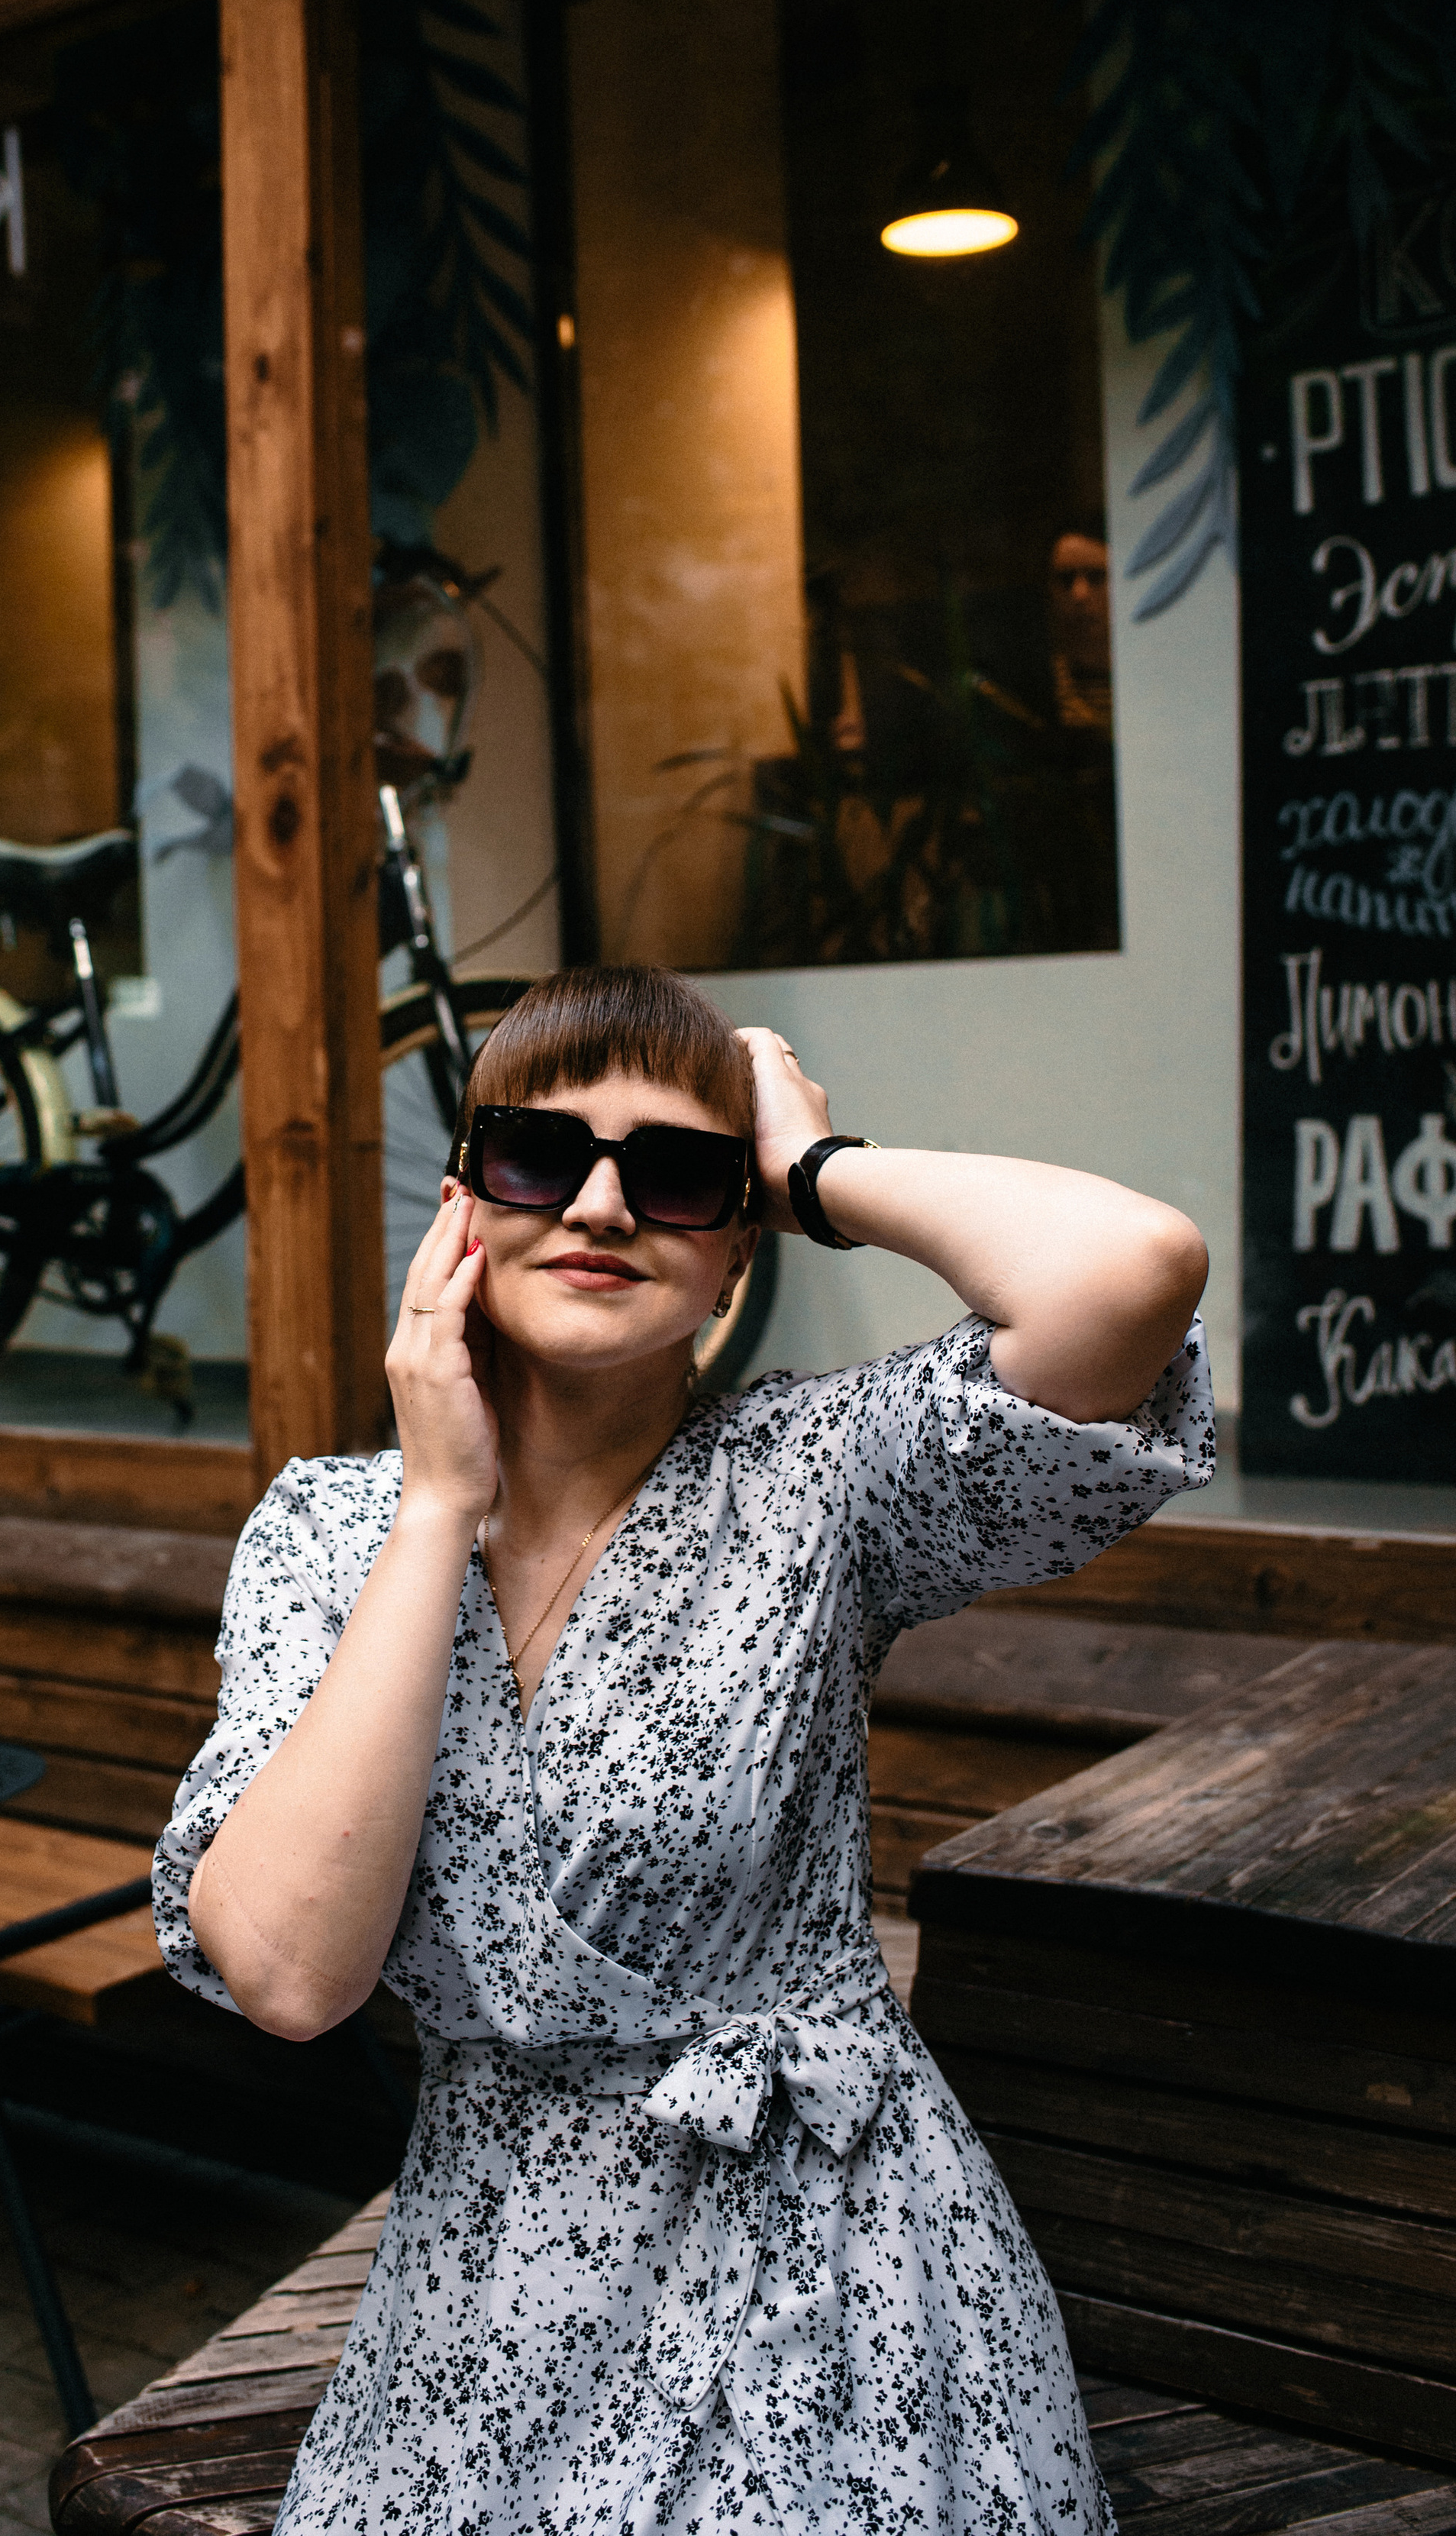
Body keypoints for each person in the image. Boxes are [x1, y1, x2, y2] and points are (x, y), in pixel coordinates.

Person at [151, 964, 1212, 2536]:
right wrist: (437, 1504)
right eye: (534, 1156)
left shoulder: (819, 1479)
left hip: (823, 2257)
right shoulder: (331, 1526)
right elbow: (291, 1976)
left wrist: (812, 1171)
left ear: (731, 1258)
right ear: (458, 1213)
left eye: (672, 1174)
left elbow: (1133, 1268)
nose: (596, 1205)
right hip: (487, 2282)